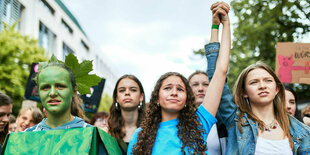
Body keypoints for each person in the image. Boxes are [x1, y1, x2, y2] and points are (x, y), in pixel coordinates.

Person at [205, 4, 310, 154]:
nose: (262, 85)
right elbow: (217, 75)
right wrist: (219, 26)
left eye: (268, 81)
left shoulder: (302, 131)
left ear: (277, 89)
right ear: (244, 92)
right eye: (254, 82)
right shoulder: (236, 122)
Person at [128, 1, 231, 154]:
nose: (174, 92)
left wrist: (222, 25)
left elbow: (220, 71)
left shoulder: (199, 125)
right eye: (168, 88)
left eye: (180, 89)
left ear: (187, 98)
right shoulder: (140, 136)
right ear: (157, 97)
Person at [26, 57, 91, 131]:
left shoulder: (92, 135)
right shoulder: (25, 136)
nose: (52, 93)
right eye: (45, 87)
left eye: (60, 86)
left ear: (74, 91)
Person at [105, 75, 146, 154]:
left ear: (141, 97)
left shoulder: (152, 131)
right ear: (117, 98)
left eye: (133, 90)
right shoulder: (106, 133)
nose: (127, 93)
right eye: (122, 90)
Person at [189, 71, 227, 155]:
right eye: (195, 85)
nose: (200, 89)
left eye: (206, 84)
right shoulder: (178, 119)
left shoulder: (224, 120)